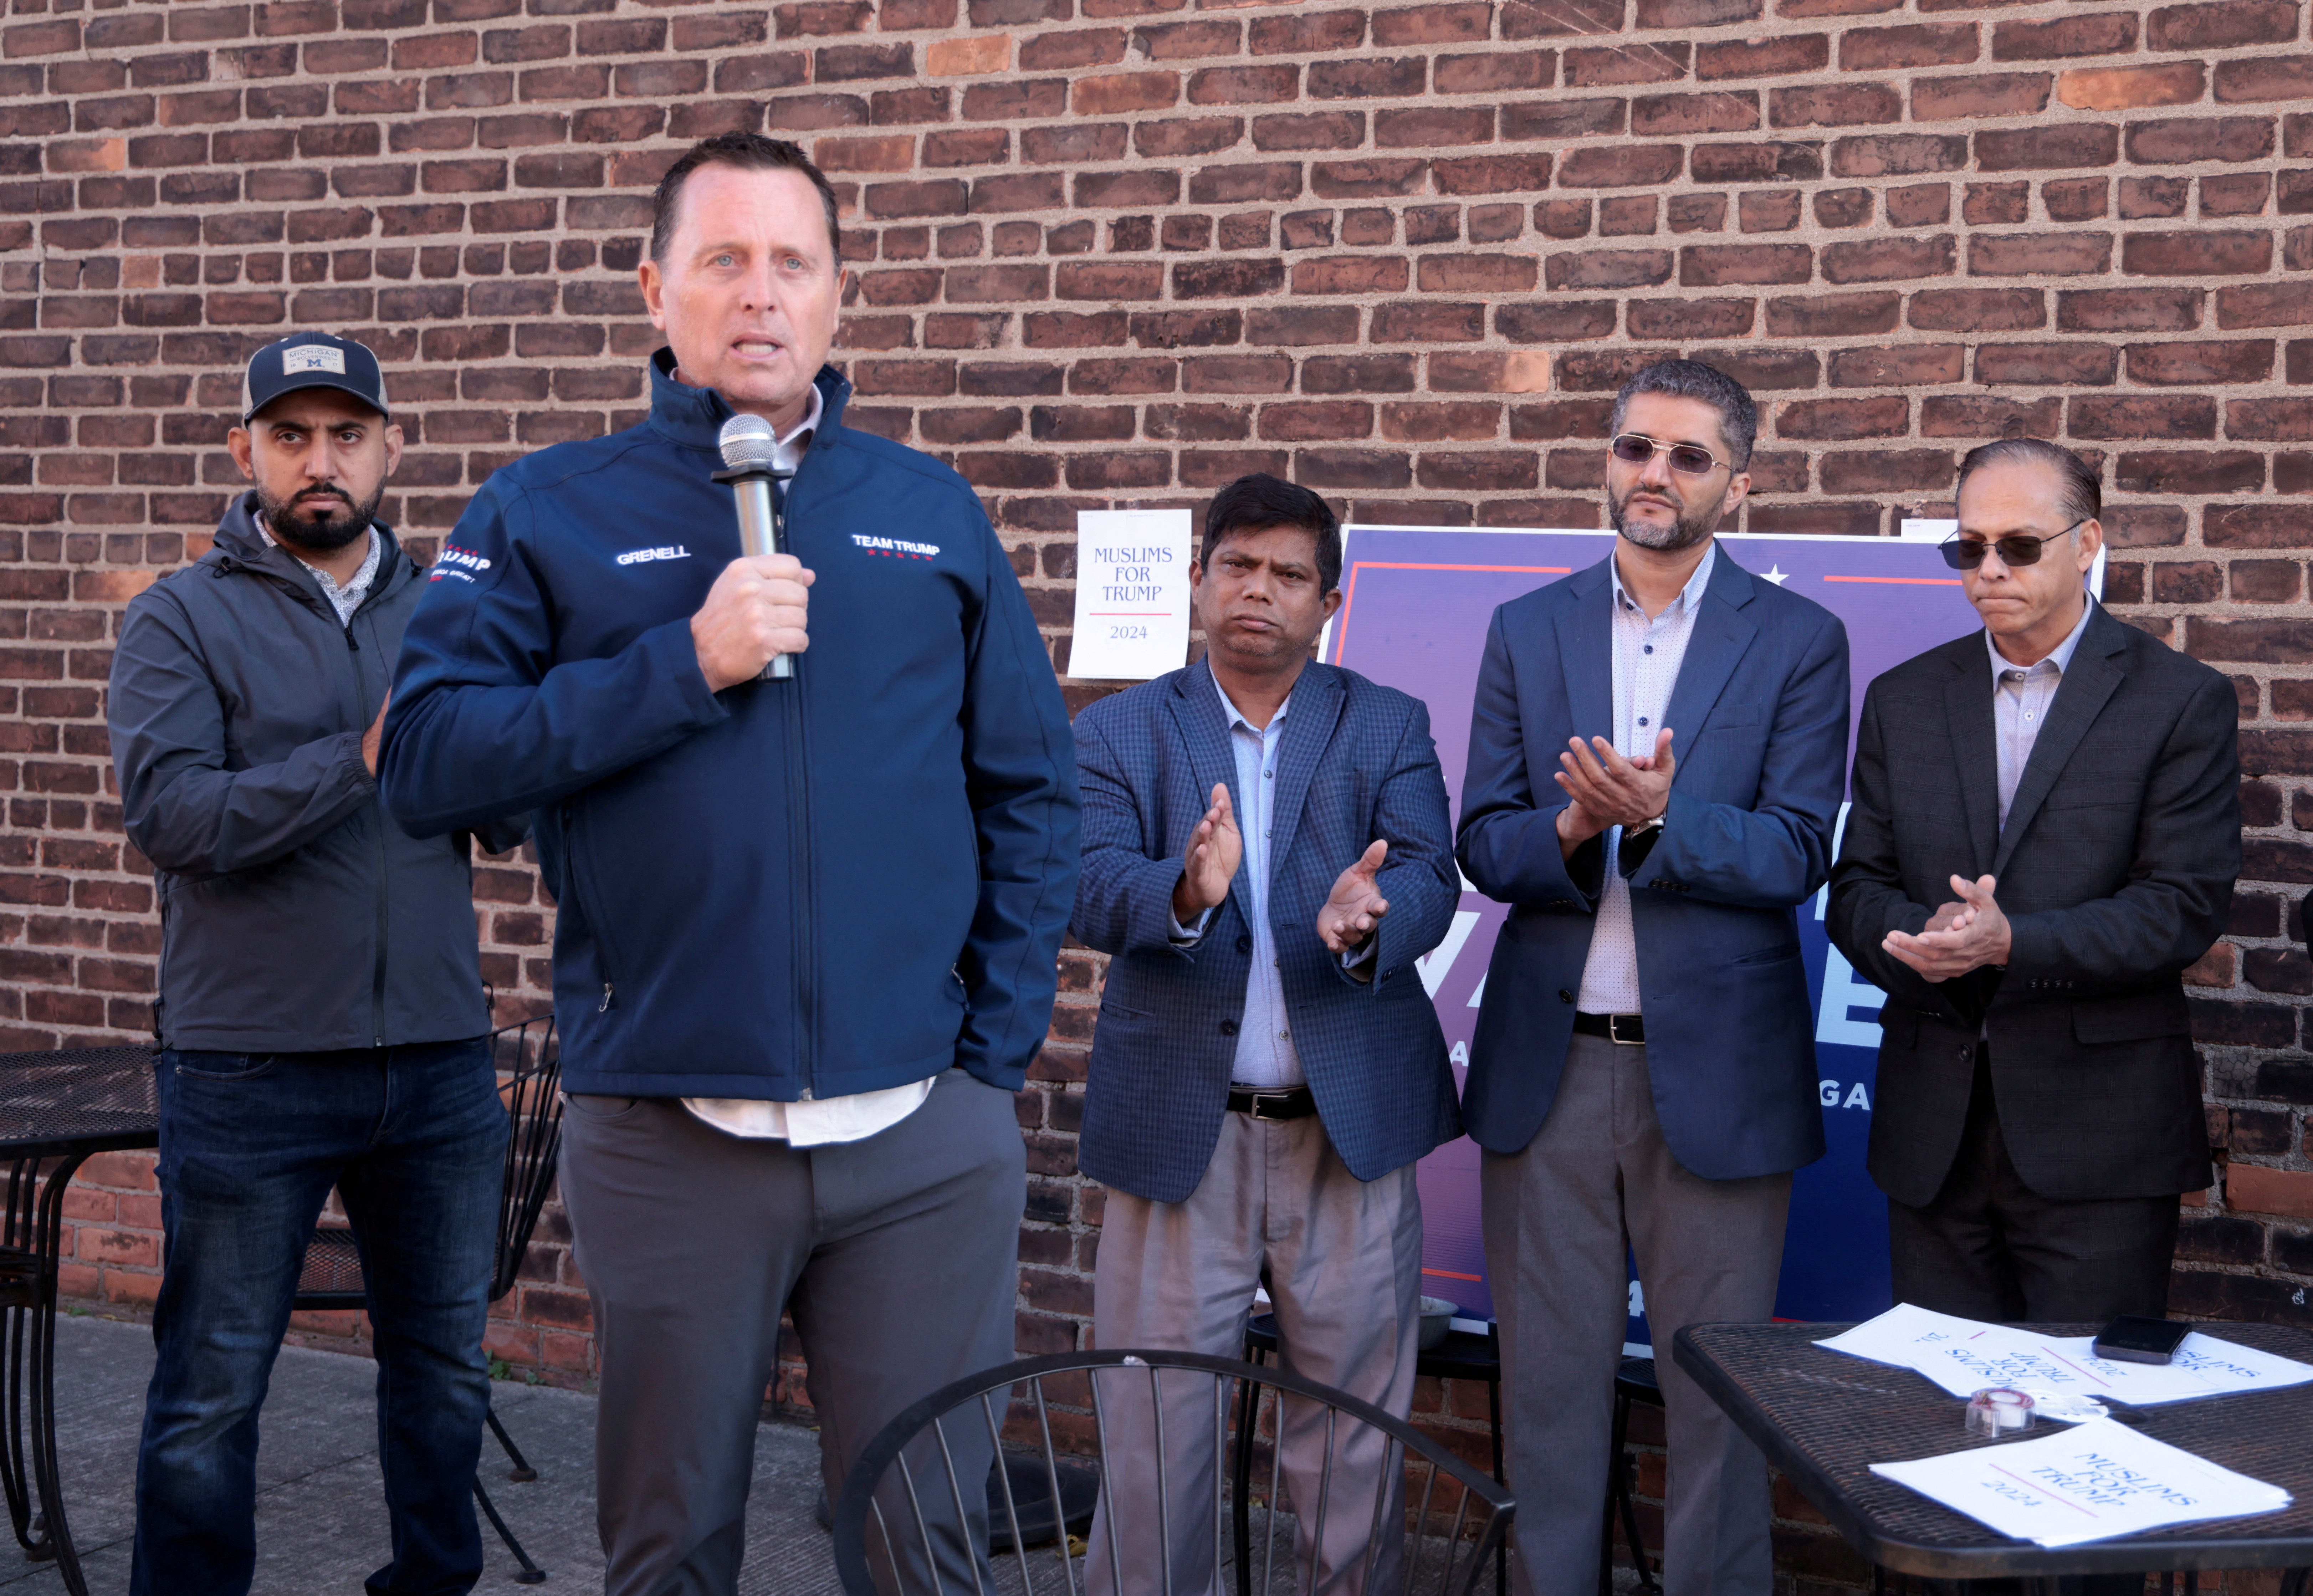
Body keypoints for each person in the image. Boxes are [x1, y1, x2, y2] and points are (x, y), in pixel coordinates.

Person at [378, 132, 1080, 1596]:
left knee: (925, 1550)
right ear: (656, 288)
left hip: (919, 1142)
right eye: (721, 260)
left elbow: (1026, 792)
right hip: (671, 1131)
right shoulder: (543, 511)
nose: (758, 296)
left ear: (838, 299)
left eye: (791, 264)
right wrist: (681, 663)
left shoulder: (931, 511)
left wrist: (986, 1058)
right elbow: (430, 760)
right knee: (667, 1553)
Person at [108, 332, 519, 1596]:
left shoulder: (460, 608)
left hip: (441, 1064)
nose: (321, 461)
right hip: (252, 1068)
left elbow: (504, 811)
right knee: (213, 1388)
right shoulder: (180, 617)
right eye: (291, 436)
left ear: (394, 445)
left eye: (348, 433)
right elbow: (174, 819)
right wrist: (362, 754)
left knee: (446, 1372)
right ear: (246, 453)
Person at [1457, 359, 1849, 1596]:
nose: (1652, 475)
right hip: (1548, 1068)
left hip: (1717, 1078)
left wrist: (1664, 818)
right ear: (1605, 457)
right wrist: (1574, 831)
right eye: (1634, 448)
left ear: (1737, 478)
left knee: (1719, 1404)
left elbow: (1795, 848)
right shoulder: (1526, 626)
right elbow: (1482, 837)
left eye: (1687, 456)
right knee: (1548, 1397)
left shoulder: (1796, 638)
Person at [1070, 474, 1461, 1595]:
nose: (1261, 590)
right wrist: (1184, 894)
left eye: (1290, 574)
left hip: (1345, 1132)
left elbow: (1433, 868)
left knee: (1352, 1444)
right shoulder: (1120, 730)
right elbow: (1086, 883)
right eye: (1238, 565)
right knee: (1153, 1431)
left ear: (1328, 601)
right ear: (1198, 582)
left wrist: (1369, 922)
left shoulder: (1383, 721)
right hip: (1177, 1137)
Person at [1828, 438, 2238, 1324]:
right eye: (1967, 547)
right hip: (1930, 1135)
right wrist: (1917, 940)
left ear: (2086, 542)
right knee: (1938, 1419)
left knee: (2086, 1428)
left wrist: (2012, 943)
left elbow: (2182, 908)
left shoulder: (2179, 700)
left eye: (2017, 545)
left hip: (2098, 1141)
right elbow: (1855, 887)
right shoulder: (1903, 698)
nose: (1987, 568)